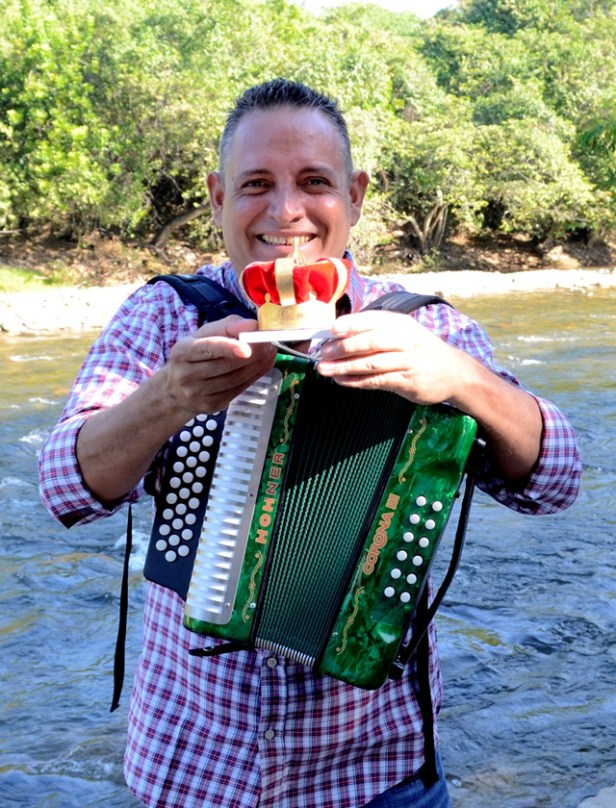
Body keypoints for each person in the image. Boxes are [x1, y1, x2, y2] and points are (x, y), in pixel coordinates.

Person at [39, 78, 581, 808]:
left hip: (378, 774)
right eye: (256, 184)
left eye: (315, 183)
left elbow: (556, 483)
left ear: (354, 196)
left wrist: (465, 380)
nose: (286, 210)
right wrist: (167, 397)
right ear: (218, 198)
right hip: (191, 770)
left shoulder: (426, 327)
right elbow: (64, 489)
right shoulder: (164, 315)